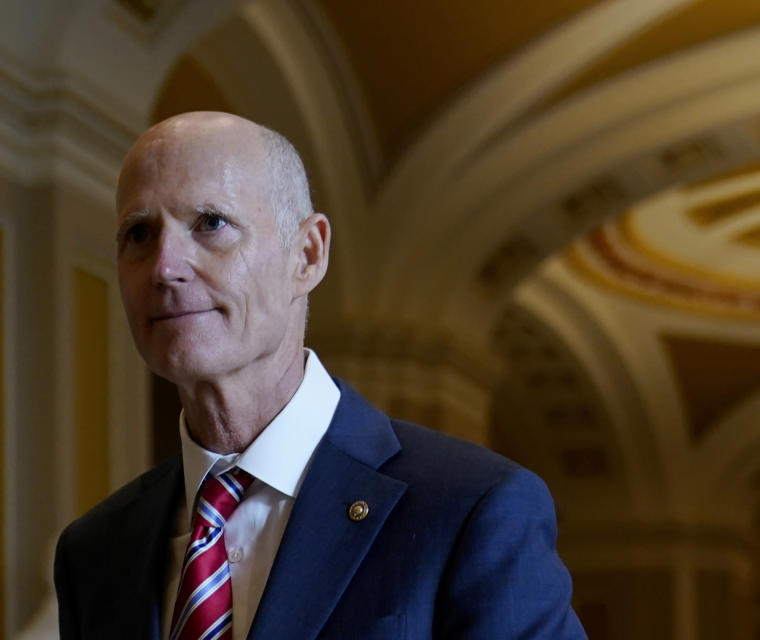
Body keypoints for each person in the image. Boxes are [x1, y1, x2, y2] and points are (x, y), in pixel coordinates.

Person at [54, 111, 587, 640]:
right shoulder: (95, 551)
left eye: (210, 223)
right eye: (139, 233)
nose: (164, 266)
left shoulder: (472, 510)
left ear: (307, 255)